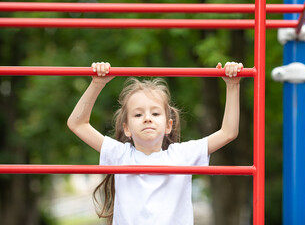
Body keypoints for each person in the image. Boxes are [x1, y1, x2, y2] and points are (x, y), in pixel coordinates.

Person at [67, 61, 243, 225]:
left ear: (168, 126)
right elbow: (77, 124)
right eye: (138, 115)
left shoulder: (182, 155)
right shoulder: (120, 155)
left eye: (155, 114)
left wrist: (232, 85)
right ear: (127, 128)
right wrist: (97, 84)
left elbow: (228, 133)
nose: (147, 119)